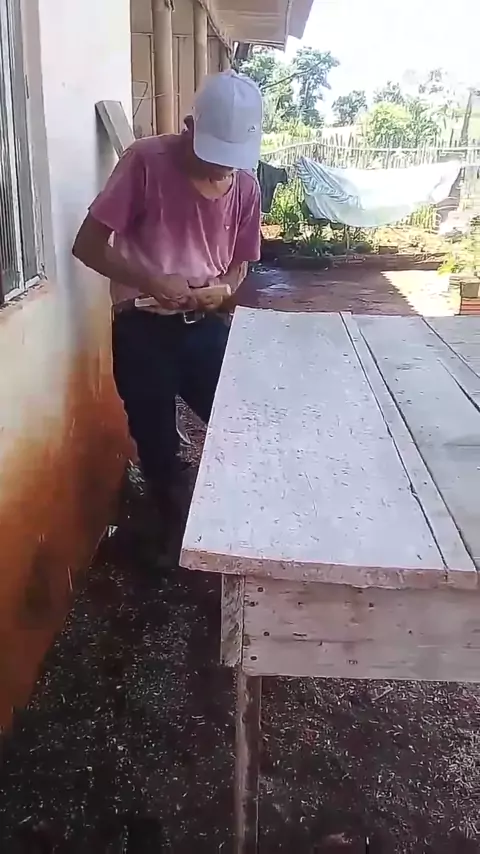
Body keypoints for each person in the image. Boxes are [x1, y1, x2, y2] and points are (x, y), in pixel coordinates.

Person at [72, 70, 263, 560]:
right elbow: (87, 245)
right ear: (189, 128)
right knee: (156, 442)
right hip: (142, 327)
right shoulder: (144, 162)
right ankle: (172, 538)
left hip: (206, 327)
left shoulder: (246, 186)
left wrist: (222, 291)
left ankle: (238, 526)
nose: (222, 173)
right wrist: (154, 280)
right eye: (214, 159)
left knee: (241, 421)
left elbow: (241, 263)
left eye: (231, 163)